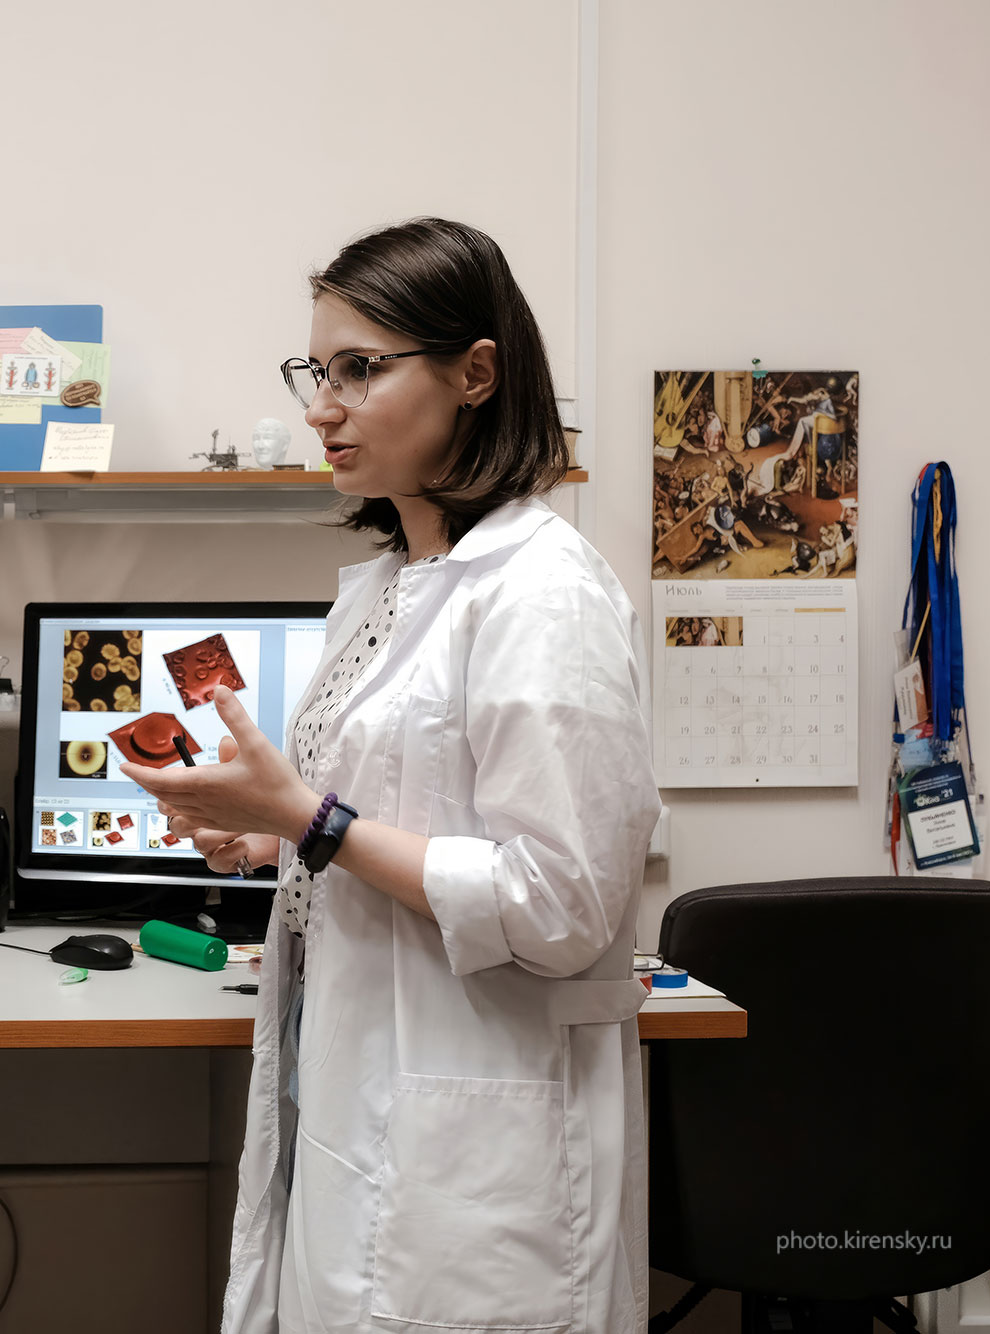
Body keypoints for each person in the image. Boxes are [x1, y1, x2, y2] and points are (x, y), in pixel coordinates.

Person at [122, 218, 660, 1334]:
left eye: (360, 368)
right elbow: (402, 813)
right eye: (315, 372)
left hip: (478, 1158)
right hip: (355, 1103)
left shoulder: (542, 594)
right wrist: (265, 833)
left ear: (475, 374)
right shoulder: (387, 588)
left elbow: (561, 906)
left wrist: (311, 822)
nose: (322, 408)